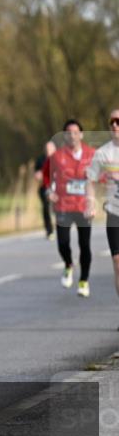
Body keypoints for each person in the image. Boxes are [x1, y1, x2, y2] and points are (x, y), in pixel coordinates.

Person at [44, 120, 95, 297]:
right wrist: (50, 191)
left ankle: (84, 281)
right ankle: (68, 264)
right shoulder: (57, 156)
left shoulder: (91, 154)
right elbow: (46, 176)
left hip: (83, 207)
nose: (72, 136)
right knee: (63, 243)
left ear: (81, 135)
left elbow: (101, 177)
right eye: (68, 133)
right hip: (63, 205)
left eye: (75, 132)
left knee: (84, 245)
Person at [86, 109, 119, 307]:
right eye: (112, 122)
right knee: (117, 262)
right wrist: (90, 202)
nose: (115, 125)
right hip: (114, 212)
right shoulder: (103, 153)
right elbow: (89, 179)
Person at [35, 141, 57, 240]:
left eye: (50, 149)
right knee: (46, 207)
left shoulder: (59, 159)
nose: (48, 151)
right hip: (45, 187)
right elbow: (36, 174)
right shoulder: (40, 160)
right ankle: (49, 230)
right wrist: (38, 175)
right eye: (47, 149)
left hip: (58, 188)